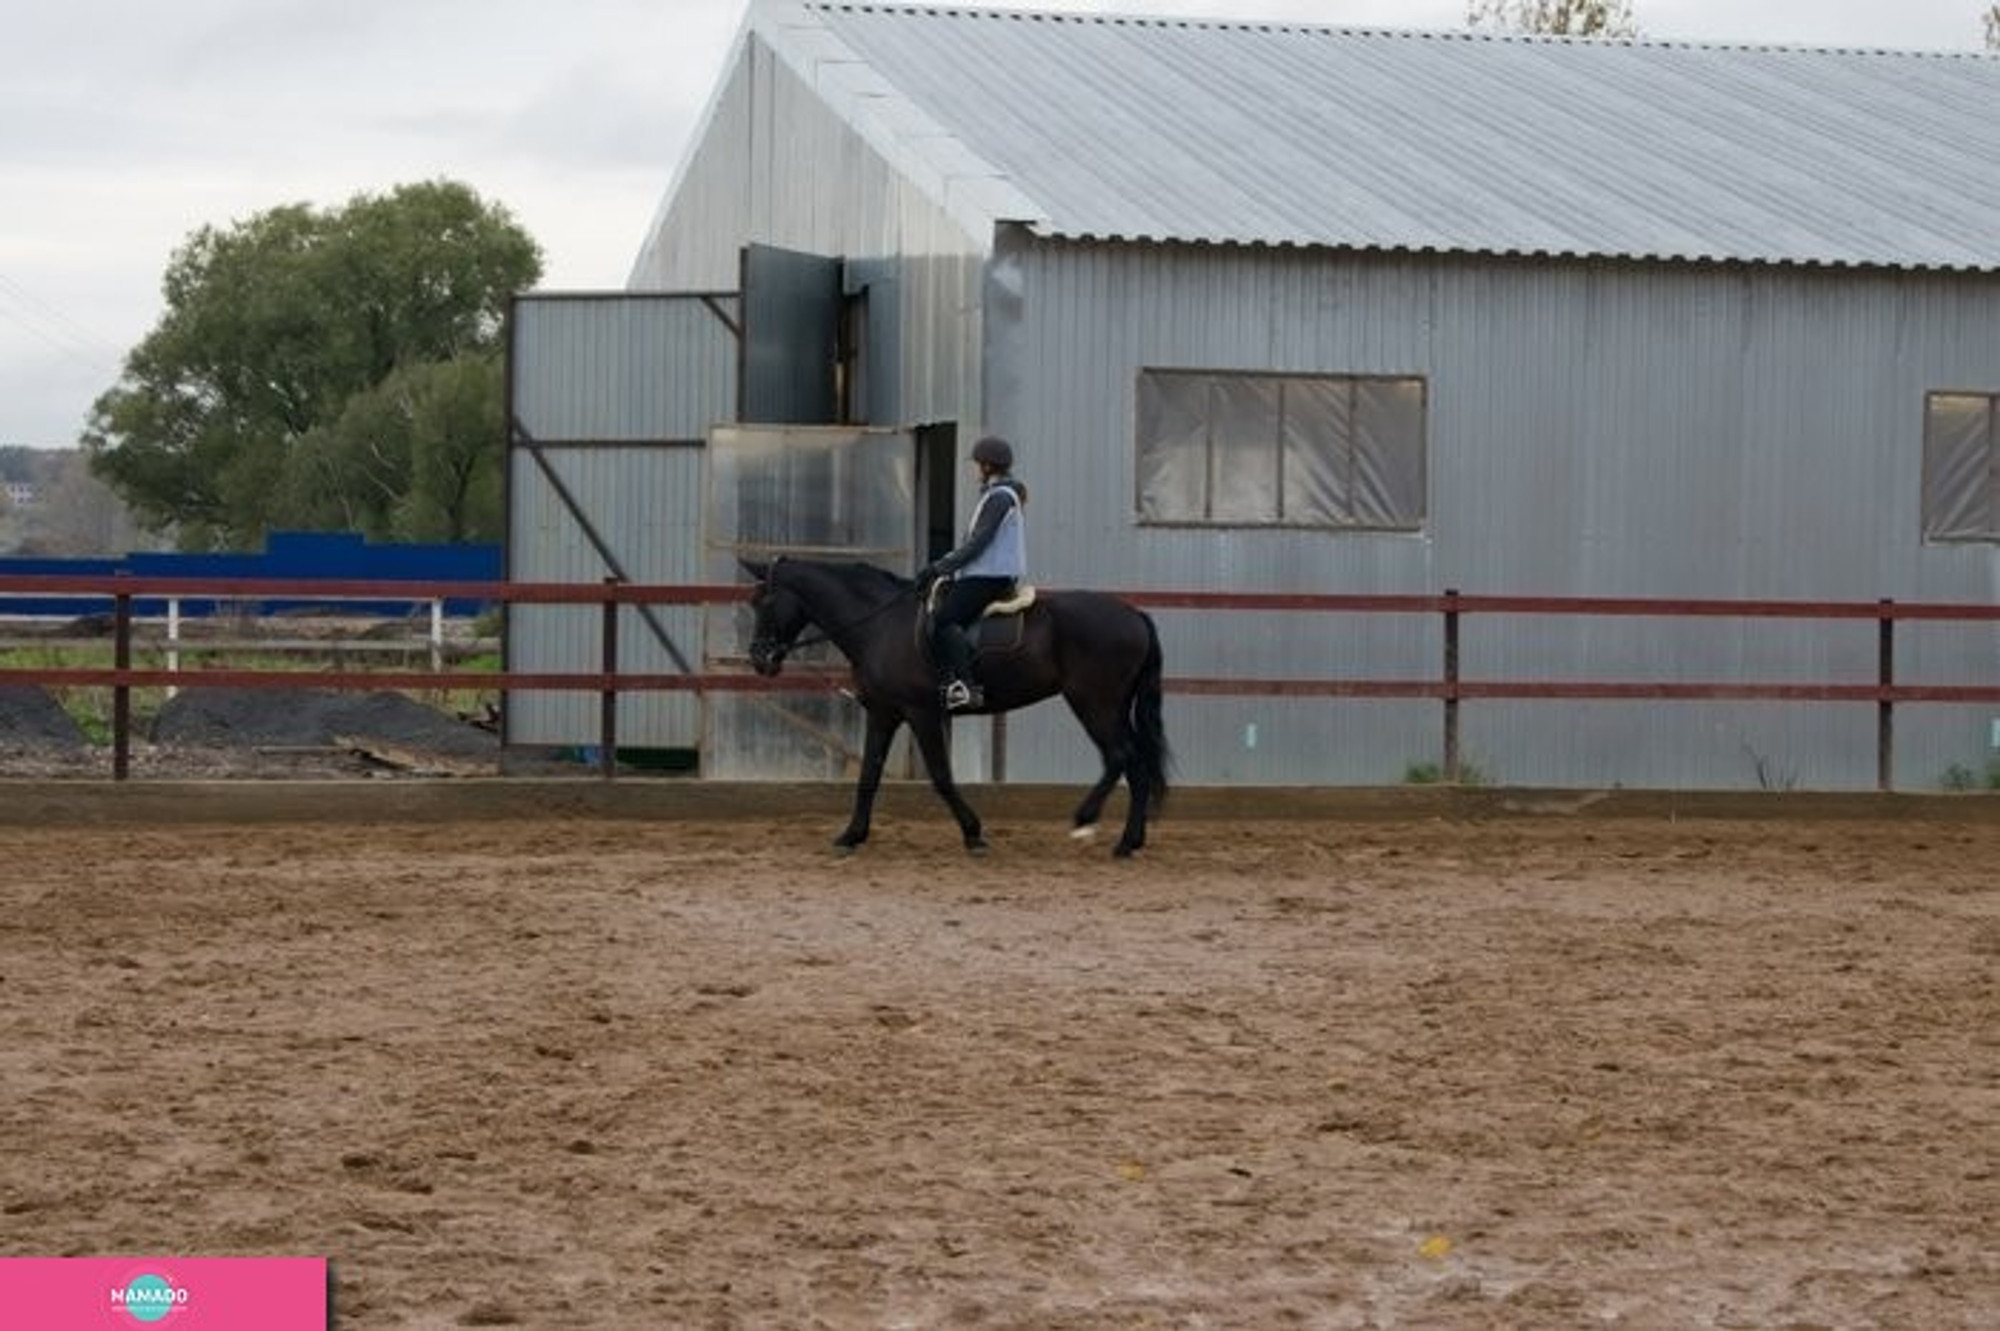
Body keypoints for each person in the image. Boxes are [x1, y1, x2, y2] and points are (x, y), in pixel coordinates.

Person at [917, 435, 1027, 710]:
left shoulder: (1000, 497)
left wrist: (938, 567)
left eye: (977, 464)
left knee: (942, 621)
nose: (974, 470)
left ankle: (967, 686)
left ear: (988, 467)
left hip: (988, 577)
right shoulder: (995, 494)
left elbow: (977, 543)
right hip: (983, 574)